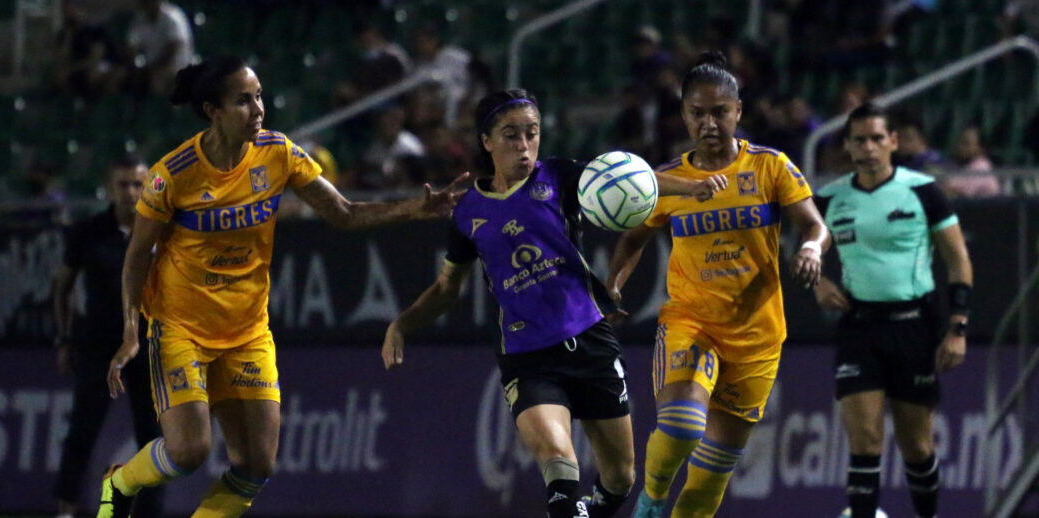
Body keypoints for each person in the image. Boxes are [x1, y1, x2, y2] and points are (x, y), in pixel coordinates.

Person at [97, 55, 466, 518]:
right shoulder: (173, 174)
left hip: (247, 330)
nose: (257, 110)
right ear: (212, 111)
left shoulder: (278, 153)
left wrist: (414, 209)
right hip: (180, 327)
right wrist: (132, 328)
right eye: (242, 101)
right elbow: (136, 258)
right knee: (189, 452)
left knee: (256, 464)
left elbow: (343, 213)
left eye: (259, 97)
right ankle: (121, 482)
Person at [380, 88, 727, 518]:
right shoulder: (467, 214)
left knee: (620, 478)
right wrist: (402, 325)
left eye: (532, 133)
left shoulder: (559, 176)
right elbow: (447, 289)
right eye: (511, 135)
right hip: (528, 357)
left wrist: (691, 189)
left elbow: (630, 179)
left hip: (590, 340)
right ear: (486, 141)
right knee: (560, 467)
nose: (524, 145)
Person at [607, 52, 830, 518]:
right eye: (697, 112)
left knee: (710, 481)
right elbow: (632, 242)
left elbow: (814, 224)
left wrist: (811, 249)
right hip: (692, 322)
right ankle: (650, 496)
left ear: (738, 112)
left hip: (757, 338)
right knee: (685, 425)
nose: (709, 122)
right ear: (683, 114)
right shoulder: (666, 182)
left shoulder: (771, 167)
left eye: (719, 112)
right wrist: (614, 286)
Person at [812, 102, 973, 518]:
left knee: (917, 447)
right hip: (859, 327)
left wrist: (957, 327)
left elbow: (958, 260)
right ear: (847, 146)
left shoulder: (923, 191)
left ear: (893, 142)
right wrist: (817, 281)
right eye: (860, 140)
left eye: (877, 138)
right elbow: (789, 245)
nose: (869, 147)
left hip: (914, 326)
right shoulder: (830, 198)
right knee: (864, 441)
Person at [53, 158, 163, 518]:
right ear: (109, 188)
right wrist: (64, 339)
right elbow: (63, 288)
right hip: (99, 345)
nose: (130, 192)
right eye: (123, 184)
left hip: (149, 346)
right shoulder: (87, 232)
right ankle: (66, 509)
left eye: (137, 184)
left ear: (148, 186)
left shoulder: (161, 231)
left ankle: (150, 512)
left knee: (154, 437)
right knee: (82, 430)